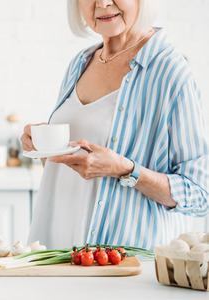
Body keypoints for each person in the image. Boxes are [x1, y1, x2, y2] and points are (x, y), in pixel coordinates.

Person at [22, 0, 209, 250]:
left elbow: (199, 194)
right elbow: (80, 171)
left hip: (122, 266)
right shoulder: (81, 62)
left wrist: (126, 170)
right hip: (56, 250)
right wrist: (44, 148)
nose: (102, 3)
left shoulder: (171, 73)